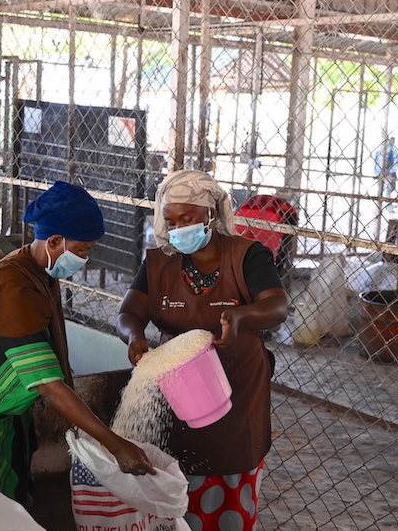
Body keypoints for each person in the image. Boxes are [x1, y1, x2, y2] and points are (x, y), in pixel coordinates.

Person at [0, 181, 155, 507]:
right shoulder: (15, 288)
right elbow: (48, 385)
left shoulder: (36, 271)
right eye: (84, 250)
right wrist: (114, 444)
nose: (86, 258)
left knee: (17, 496)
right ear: (56, 241)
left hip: (3, 412)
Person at [117, 169, 289, 531]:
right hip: (177, 387)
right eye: (171, 220)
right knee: (177, 471)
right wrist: (133, 336)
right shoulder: (159, 261)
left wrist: (242, 316)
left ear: (211, 214)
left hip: (236, 388)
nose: (178, 228)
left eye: (188, 218)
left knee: (227, 484)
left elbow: (277, 305)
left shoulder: (247, 256)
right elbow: (129, 311)